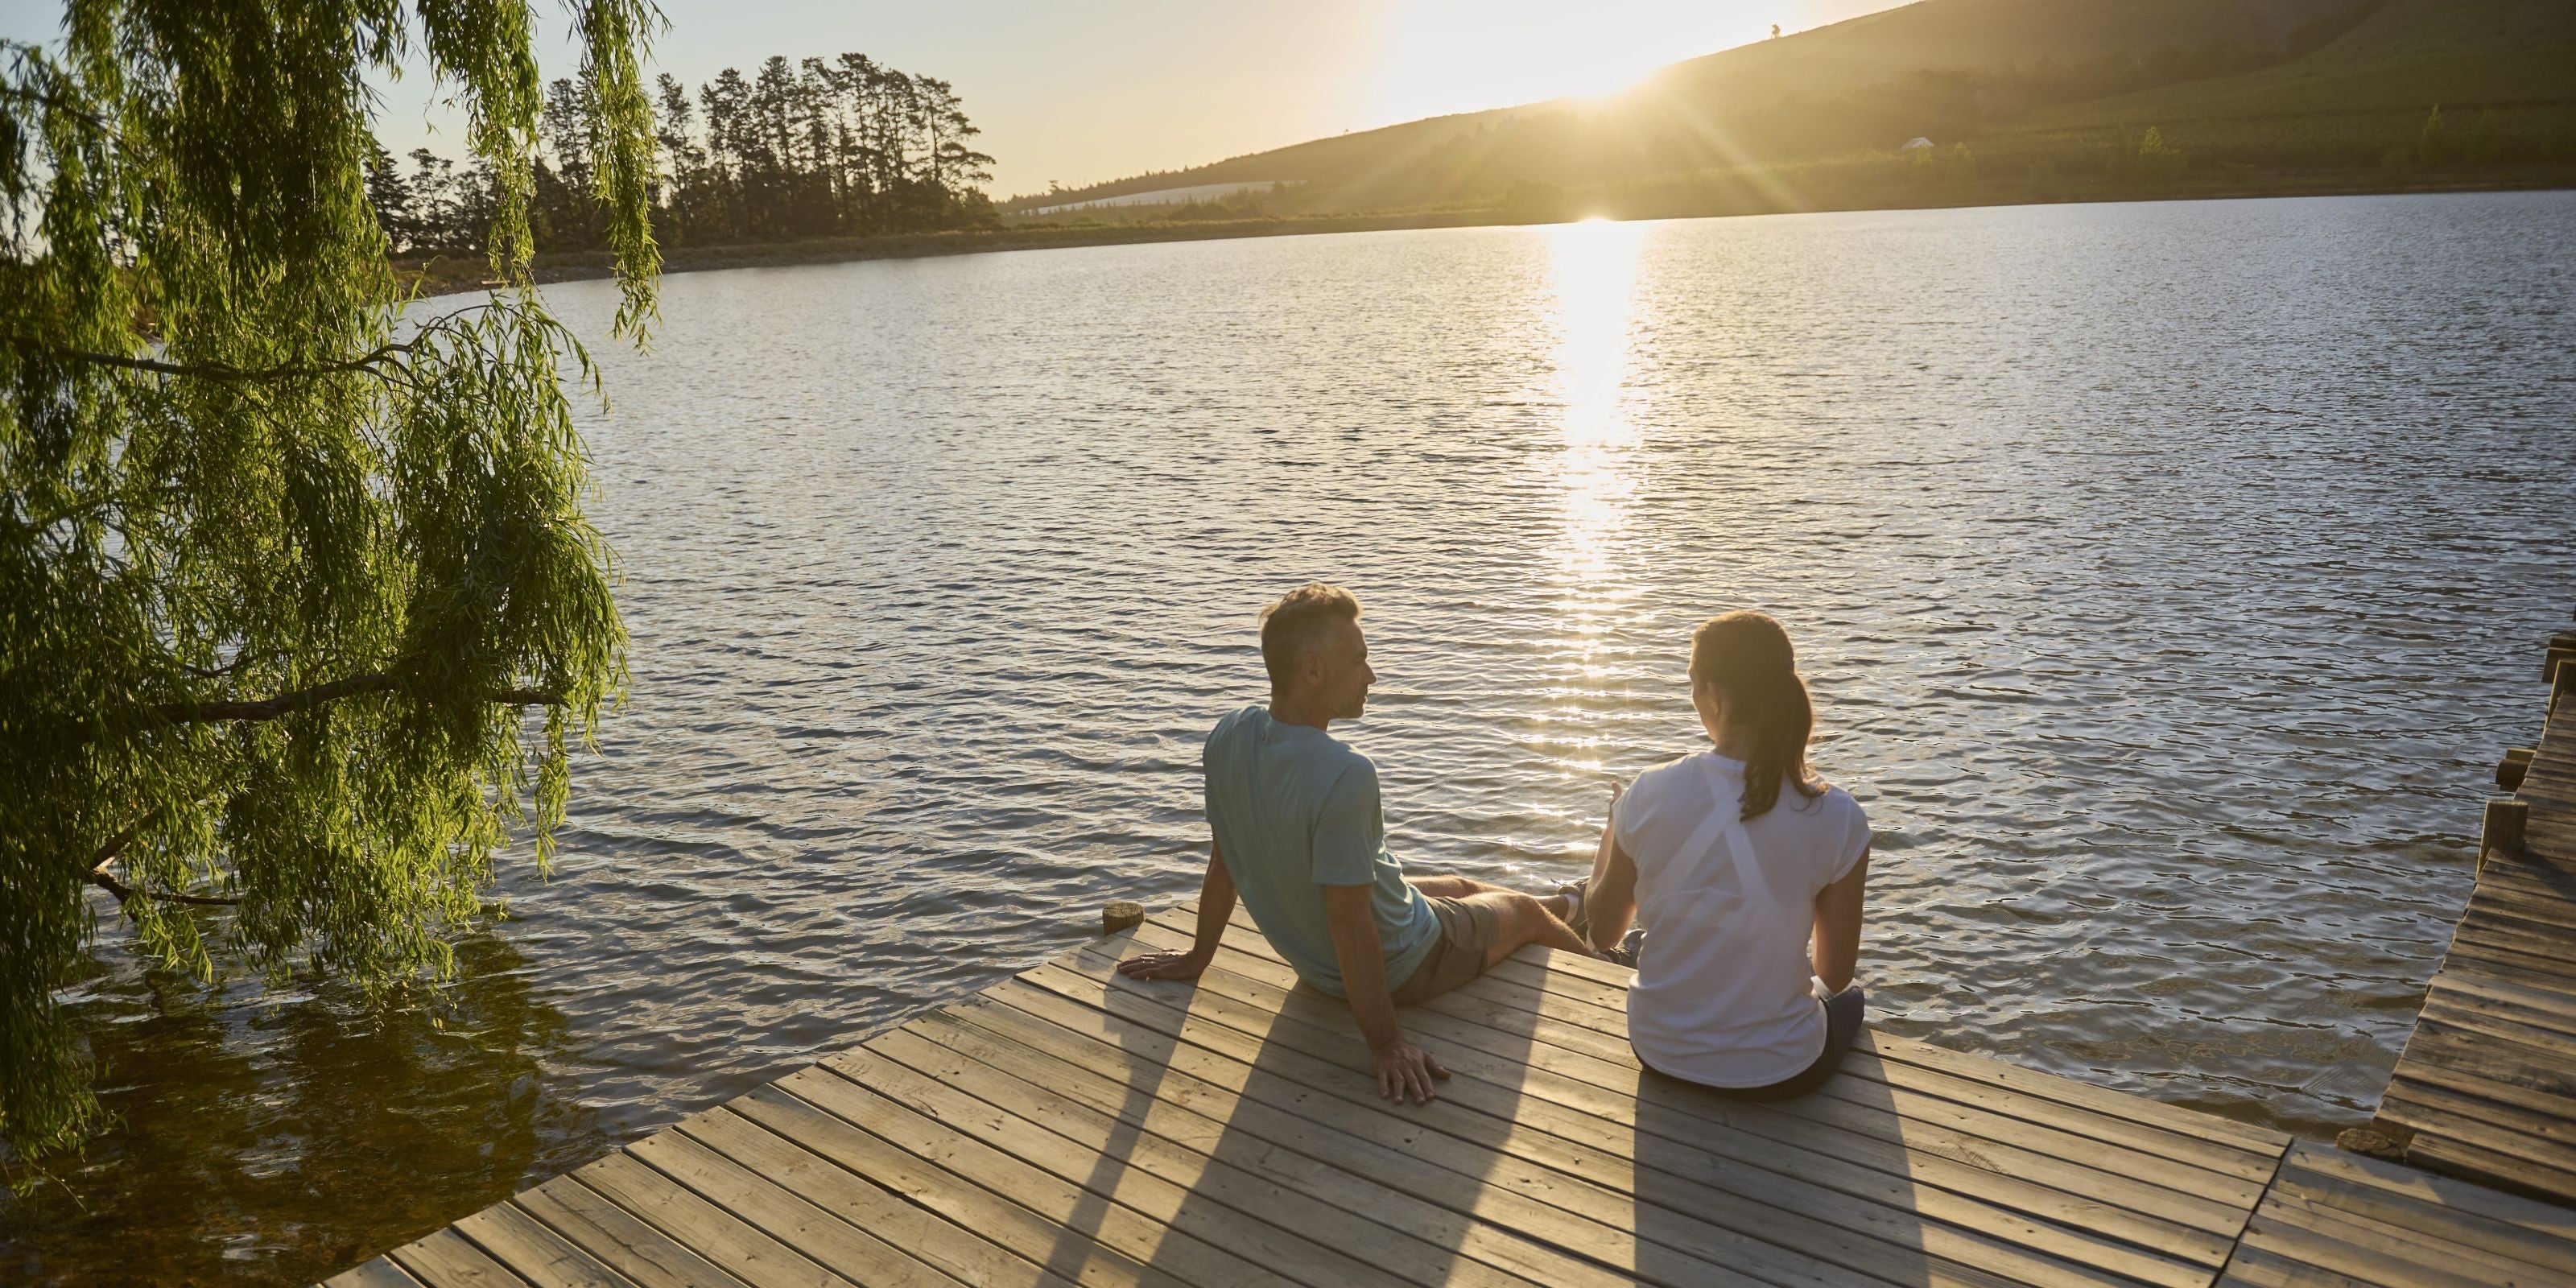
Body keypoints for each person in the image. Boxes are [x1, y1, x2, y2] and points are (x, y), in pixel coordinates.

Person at [1117, 582, 1597, 1105]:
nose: (1372, 675)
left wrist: (1198, 956)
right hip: (1408, 961)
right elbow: (1349, 923)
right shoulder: (1346, 774)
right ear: (1314, 670)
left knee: (1460, 885)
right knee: (1522, 912)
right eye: (1359, 660)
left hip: (1322, 957)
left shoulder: (1228, 735)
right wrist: (1387, 1044)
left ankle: (1573, 907)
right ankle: (1604, 968)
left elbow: (1224, 861)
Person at [1579, 610, 1871, 1099]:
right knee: (1854, 999)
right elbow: (1833, 974)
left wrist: (1613, 826)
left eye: (1692, 685)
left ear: (1713, 692)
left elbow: (1604, 931)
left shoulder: (1649, 792)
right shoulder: (1838, 814)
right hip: (1782, 1069)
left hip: (1658, 1050)